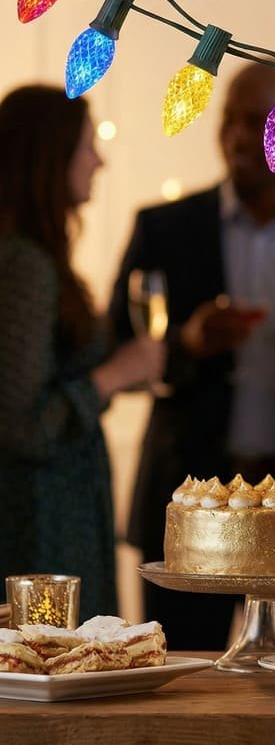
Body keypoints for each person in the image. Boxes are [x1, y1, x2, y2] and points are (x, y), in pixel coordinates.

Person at [109, 61, 275, 647]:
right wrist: (187, 342)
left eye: (254, 122)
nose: (234, 136)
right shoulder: (162, 228)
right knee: (181, 687)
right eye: (228, 120)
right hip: (189, 505)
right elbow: (113, 351)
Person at [0, 85, 165, 620]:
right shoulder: (23, 264)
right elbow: (21, 424)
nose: (99, 159)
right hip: (40, 525)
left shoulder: (33, 254)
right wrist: (113, 376)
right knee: (51, 663)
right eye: (87, 145)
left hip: (55, 514)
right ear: (50, 157)